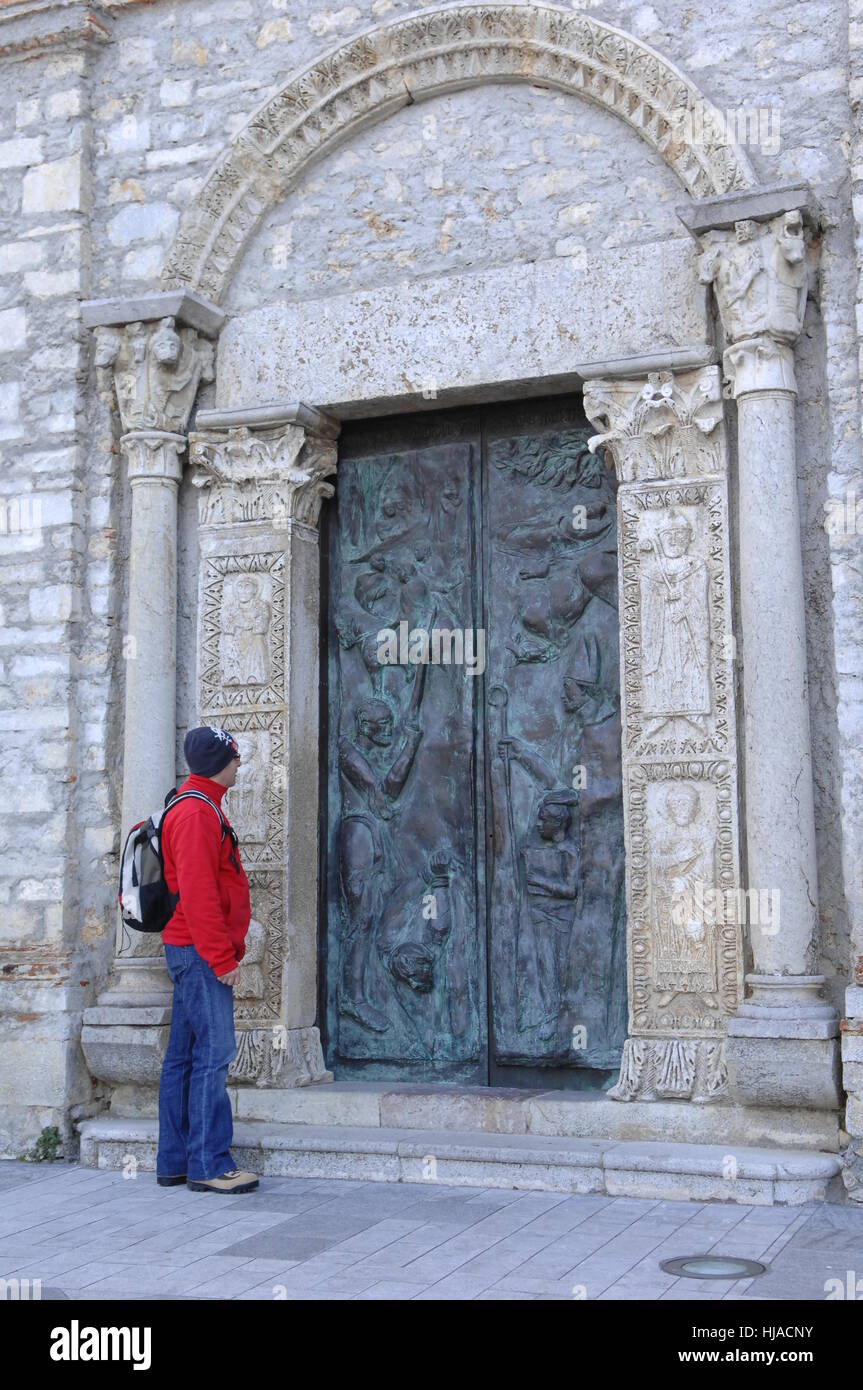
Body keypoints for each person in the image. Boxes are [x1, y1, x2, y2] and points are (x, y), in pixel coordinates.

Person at [156, 725, 259, 1194]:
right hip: (199, 953)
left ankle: (175, 1161)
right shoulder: (197, 813)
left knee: (183, 1056)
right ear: (220, 762)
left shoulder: (196, 803)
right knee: (214, 1054)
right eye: (235, 757)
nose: (239, 764)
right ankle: (209, 1163)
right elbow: (198, 894)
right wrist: (221, 959)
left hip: (189, 950)